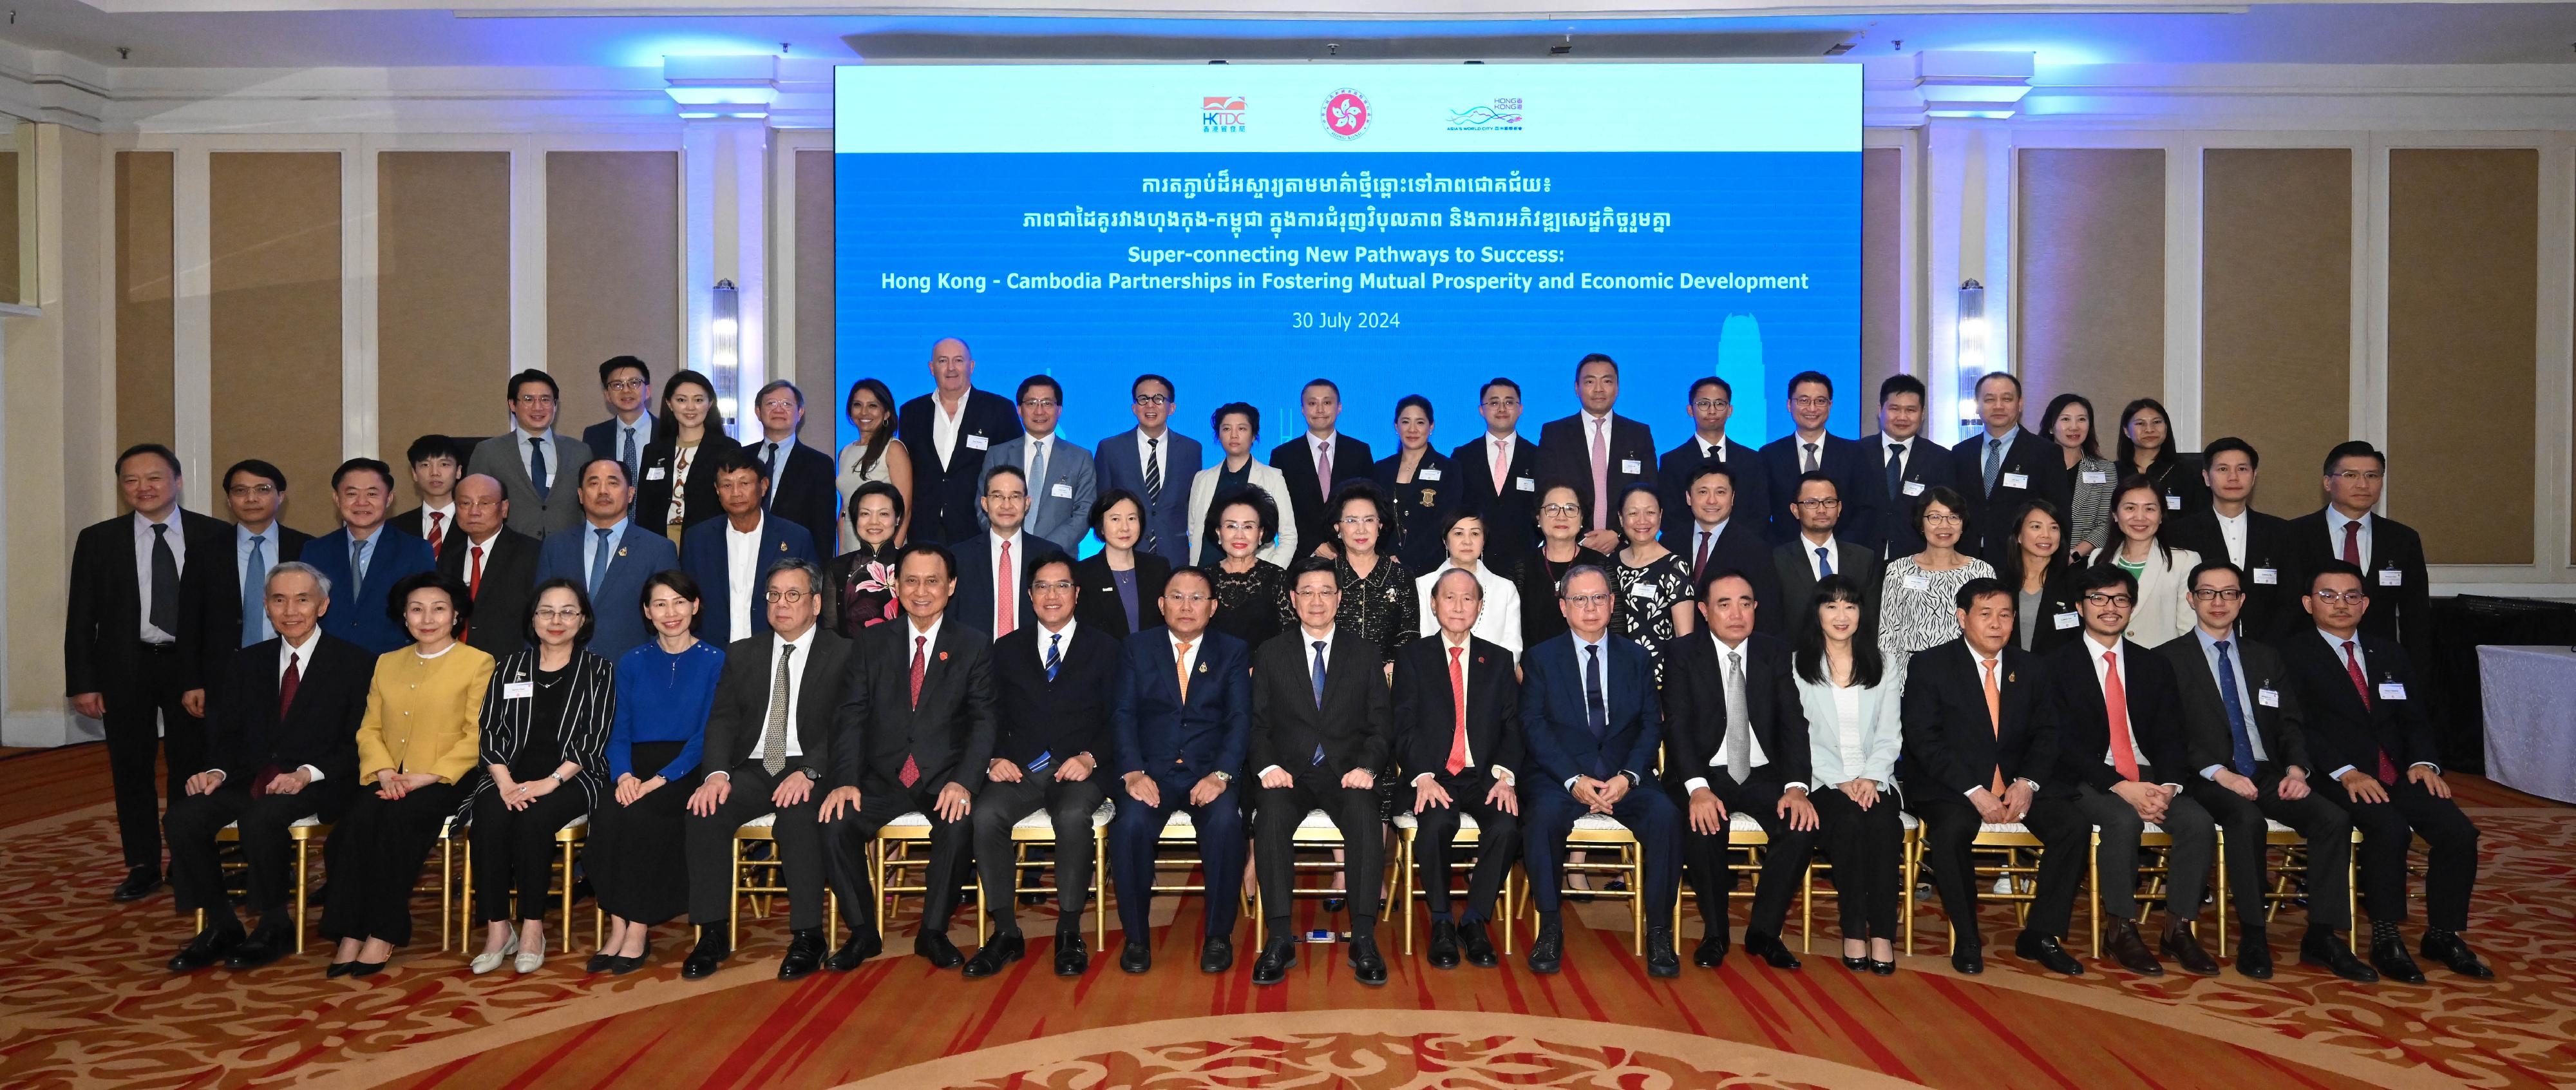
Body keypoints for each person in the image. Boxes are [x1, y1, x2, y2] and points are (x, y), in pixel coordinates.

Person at [2154, 560, 2372, 982]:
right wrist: (2221, 773)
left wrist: (2297, 769)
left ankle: (2323, 936)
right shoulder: (2169, 660)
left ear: (2243, 600)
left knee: (2333, 818)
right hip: (2206, 778)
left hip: (2269, 771)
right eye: (2208, 593)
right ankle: (2254, 934)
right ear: (2191, 599)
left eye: (2229, 593)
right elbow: (2171, 734)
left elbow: (2291, 721)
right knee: (2246, 820)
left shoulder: (2265, 656)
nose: (2219, 602)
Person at [2280, 560, 2490, 984]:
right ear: (2308, 603)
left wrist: (2423, 763)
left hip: (2399, 773)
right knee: (2389, 828)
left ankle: (2442, 934)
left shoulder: (2388, 652)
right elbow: (2298, 725)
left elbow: (2416, 719)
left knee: (2459, 832)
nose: (2341, 604)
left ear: (2365, 603)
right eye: (2328, 595)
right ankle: (2386, 935)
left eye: (2351, 596)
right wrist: (2345, 772)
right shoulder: (2291, 654)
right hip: (2335, 775)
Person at [164, 562, 374, 973]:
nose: (290, 610)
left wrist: (306, 774)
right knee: (184, 815)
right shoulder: (247, 662)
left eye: (302, 599)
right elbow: (225, 735)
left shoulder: (355, 663)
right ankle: (222, 923)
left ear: (323, 606)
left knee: (263, 817)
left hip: (321, 780)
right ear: (266, 606)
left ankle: (274, 922)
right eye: (279, 600)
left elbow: (361, 741)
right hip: (251, 776)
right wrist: (216, 772)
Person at [678, 559, 859, 981]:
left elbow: (847, 724)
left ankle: (807, 935)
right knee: (705, 811)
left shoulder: (845, 653)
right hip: (755, 766)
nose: (781, 604)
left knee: (799, 819)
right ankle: (712, 933)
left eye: (793, 595)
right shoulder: (743, 653)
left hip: (811, 767)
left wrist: (812, 769)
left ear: (816, 603)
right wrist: (716, 774)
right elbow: (722, 720)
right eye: (774, 595)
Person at [820, 543, 999, 971]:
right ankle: (863, 933)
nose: (922, 590)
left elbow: (983, 722)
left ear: (951, 586)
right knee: (833, 822)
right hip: (881, 777)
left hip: (943, 777)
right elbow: (851, 716)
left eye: (933, 581)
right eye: (912, 581)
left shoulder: (973, 645)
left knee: (959, 826)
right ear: (896, 587)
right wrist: (845, 778)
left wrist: (965, 781)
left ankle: (932, 932)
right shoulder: (870, 643)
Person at [66, 444, 234, 900]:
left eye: (154, 478)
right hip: (126, 667)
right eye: (131, 480)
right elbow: (81, 615)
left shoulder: (215, 534)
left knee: (191, 764)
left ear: (177, 481)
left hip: (191, 666)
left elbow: (224, 614)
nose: (143, 488)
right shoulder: (99, 539)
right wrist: (83, 682)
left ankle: (187, 857)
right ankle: (141, 863)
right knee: (130, 768)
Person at [1899, 578, 2087, 976]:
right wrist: (1973, 790)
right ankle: (1967, 936)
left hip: (2018, 783)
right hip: (1952, 785)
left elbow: (2048, 732)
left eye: (2005, 615)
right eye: (1985, 615)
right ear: (1962, 617)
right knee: (1951, 832)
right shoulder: (1930, 665)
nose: (1997, 624)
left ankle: (2040, 934)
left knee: (2073, 825)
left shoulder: (2031, 667)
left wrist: (2028, 782)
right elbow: (1923, 739)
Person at [2044, 564, 2217, 977]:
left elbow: (2174, 734)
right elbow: (2058, 743)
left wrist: (2170, 786)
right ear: (2079, 606)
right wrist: (2121, 786)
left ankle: (2178, 928)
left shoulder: (2152, 665)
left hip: (2150, 775)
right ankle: (2120, 927)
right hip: (2088, 776)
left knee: (2198, 821)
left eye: (2120, 599)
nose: (2110, 607)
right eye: (2099, 599)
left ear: (2132, 607)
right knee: (2122, 822)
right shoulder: (2054, 665)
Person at [321, 571, 497, 977]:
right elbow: (369, 728)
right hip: (389, 777)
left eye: (439, 609)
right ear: (404, 617)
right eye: (416, 609)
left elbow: (478, 734)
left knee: (396, 828)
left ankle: (383, 931)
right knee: (350, 832)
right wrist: (383, 770)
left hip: (447, 778)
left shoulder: (478, 662)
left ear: (456, 616)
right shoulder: (387, 663)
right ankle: (350, 931)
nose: (427, 618)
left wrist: (428, 776)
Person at [1519, 566, 1684, 976]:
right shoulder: (1540, 658)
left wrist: (1629, 776)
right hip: (1563, 778)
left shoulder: (1637, 658)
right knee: (1540, 818)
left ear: (1612, 603)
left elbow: (1651, 725)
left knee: (1665, 816)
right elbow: (1533, 726)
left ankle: (1659, 930)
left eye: (1598, 598)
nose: (1590, 608)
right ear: (1563, 607)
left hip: (1623, 777)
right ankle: (1551, 925)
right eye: (1579, 599)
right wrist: (1572, 780)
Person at [966, 556, 1118, 978]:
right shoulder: (1006, 648)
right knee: (986, 815)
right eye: (1042, 587)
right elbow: (986, 713)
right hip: (1020, 767)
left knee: (1072, 816)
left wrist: (1091, 757)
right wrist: (994, 758)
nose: (1052, 596)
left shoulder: (1106, 648)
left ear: (1077, 593)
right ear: (1030, 596)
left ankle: (1069, 930)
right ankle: (1006, 932)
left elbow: (1122, 717)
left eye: (1062, 586)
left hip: (1080, 767)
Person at [1248, 559, 1395, 986]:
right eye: (1307, 592)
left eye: (1326, 591)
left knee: (1367, 816)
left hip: (1347, 772)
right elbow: (1255, 725)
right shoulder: (1271, 653)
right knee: (1271, 816)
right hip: (1288, 773)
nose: (1317, 600)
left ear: (1339, 598)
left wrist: (1368, 766)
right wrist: (1269, 766)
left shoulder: (1365, 654)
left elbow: (1381, 724)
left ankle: (1364, 937)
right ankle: (1279, 938)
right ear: (1293, 600)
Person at [1664, 568, 1816, 971]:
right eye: (1724, 604)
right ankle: (1715, 934)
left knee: (1801, 824)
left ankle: (1763, 932)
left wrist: (1798, 786)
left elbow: (1793, 725)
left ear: (1756, 609)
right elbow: (1676, 726)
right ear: (1704, 610)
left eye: (1745, 603)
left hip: (1762, 772)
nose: (1736, 614)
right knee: (1704, 823)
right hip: (1705, 772)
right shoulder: (1682, 654)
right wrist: (1696, 788)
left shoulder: (1773, 652)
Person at [1106, 568, 1254, 975]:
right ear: (1161, 604)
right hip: (1150, 773)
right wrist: (1133, 773)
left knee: (1226, 825)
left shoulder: (1233, 650)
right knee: (1129, 827)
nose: (1186, 607)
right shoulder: (1137, 648)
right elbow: (1122, 715)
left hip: (1209, 772)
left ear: (1213, 607)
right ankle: (1136, 938)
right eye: (1177, 597)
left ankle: (1218, 936)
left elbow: (1241, 719)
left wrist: (1222, 774)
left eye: (1197, 598)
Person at [464, 578, 614, 975]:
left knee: (533, 820)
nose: (557, 620)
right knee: (490, 818)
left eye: (568, 612)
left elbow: (593, 737)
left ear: (583, 620)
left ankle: (532, 928)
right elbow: (490, 729)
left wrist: (550, 783)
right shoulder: (509, 667)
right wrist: (504, 782)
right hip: (508, 774)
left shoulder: (598, 670)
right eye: (547, 611)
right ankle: (499, 930)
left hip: (572, 777)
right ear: (533, 619)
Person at [591, 570, 720, 975]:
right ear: (647, 612)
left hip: (685, 769)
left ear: (695, 606)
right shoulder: (632, 661)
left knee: (643, 818)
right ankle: (616, 926)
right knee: (608, 816)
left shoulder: (717, 660)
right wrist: (625, 777)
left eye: (679, 602)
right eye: (660, 604)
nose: (671, 612)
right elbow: (619, 728)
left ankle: (638, 929)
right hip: (635, 767)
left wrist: (659, 780)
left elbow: (706, 736)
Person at [1394, 568, 1523, 970]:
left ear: (1480, 608)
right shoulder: (1412, 657)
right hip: (1432, 774)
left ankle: (1474, 920)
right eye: (1448, 597)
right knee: (1436, 824)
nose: (1458, 606)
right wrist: (1422, 775)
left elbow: (1513, 726)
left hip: (1483, 775)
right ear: (1433, 605)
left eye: (1468, 598)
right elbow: (1402, 723)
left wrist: (1504, 776)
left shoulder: (1498, 660)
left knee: (1506, 826)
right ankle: (1442, 921)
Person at [1792, 573, 1907, 975]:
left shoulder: (1884, 661)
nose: (1842, 615)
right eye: (1831, 605)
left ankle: (1883, 935)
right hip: (1823, 779)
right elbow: (1796, 737)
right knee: (1848, 824)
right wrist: (1839, 779)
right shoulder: (1797, 665)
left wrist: (1872, 777)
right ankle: (1855, 929)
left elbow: (1891, 733)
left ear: (1862, 612)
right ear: (1817, 612)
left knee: (1882, 825)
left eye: (1850, 606)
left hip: (1877, 777)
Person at [2288, 443, 2434, 671]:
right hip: (2309, 664)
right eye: (2350, 475)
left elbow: (2416, 617)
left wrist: (2416, 674)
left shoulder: (2403, 539)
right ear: (2328, 482)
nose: (2363, 484)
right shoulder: (2293, 535)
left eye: (2372, 475)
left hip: (2381, 665)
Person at [532, 459, 682, 662]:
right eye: (593, 483)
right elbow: (539, 615)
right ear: (581, 495)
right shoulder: (555, 546)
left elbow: (668, 621)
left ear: (630, 494)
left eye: (613, 483)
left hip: (632, 673)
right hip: (564, 671)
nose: (603, 491)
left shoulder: (658, 549)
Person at [2165, 438, 2303, 644]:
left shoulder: (2281, 532)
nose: (2233, 477)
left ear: (2254, 476)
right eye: (2222, 469)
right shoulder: (2179, 533)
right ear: (2206, 477)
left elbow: (2291, 599)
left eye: (2242, 469)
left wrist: (2266, 649)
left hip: (2268, 649)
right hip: (2198, 648)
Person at [681, 450, 822, 644]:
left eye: (744, 483)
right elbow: (686, 600)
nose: (736, 493)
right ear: (717, 490)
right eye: (727, 485)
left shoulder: (795, 538)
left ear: (763, 486)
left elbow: (811, 602)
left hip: (774, 650)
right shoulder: (697, 539)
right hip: (713, 654)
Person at [899, 338, 1024, 546]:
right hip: (923, 530)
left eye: (958, 360)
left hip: (977, 529)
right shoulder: (911, 412)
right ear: (932, 368)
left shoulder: (999, 409)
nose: (951, 368)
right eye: (942, 361)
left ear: (971, 366)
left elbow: (1015, 469)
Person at [307, 457, 438, 655]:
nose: (362, 502)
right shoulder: (314, 551)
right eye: (351, 494)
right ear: (336, 498)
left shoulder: (416, 550)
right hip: (329, 665)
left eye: (372, 494)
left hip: (393, 664)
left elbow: (427, 612)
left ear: (389, 499)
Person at [1534, 354, 1656, 554]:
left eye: (1607, 381)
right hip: (1570, 546)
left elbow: (1649, 492)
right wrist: (1579, 537)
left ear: (1617, 387)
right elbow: (1544, 492)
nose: (1599, 389)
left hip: (1626, 548)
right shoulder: (1555, 434)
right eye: (1590, 381)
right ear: (1577, 388)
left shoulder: (1638, 434)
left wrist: (1618, 534)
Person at [1949, 372, 2071, 562]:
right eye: (1990, 399)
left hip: (2021, 561)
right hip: (1966, 559)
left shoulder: (2046, 453)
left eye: (2007, 399)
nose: (1998, 406)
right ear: (1977, 405)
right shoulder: (1960, 453)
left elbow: (2060, 513)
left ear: (2020, 404)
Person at [466, 370, 592, 539]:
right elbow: (475, 507)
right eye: (528, 399)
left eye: (545, 400)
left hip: (568, 551)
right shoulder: (488, 452)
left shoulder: (580, 451)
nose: (538, 407)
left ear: (555, 405)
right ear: (512, 404)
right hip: (510, 554)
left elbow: (590, 508)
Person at [1089, 373, 1199, 566]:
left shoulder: (1191, 449)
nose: (1150, 405)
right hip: (1125, 553)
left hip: (1175, 555)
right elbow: (1102, 504)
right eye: (1143, 399)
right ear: (1134, 407)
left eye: (1158, 399)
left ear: (1171, 408)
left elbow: (1192, 503)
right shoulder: (1110, 449)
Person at [1875, 487, 1995, 664]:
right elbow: (1888, 635)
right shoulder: (1899, 570)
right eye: (1935, 517)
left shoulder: (1981, 572)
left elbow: (1988, 631)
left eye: (1953, 517)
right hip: (1910, 676)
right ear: (1921, 524)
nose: (1944, 525)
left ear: (1963, 524)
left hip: (1965, 672)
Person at [951, 464, 1070, 642]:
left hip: (1033, 659)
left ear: (1027, 503)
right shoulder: (959, 556)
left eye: (1015, 496)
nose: (1006, 505)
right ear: (984, 503)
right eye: (998, 496)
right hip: (974, 661)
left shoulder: (1049, 554)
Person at [983, 375, 1098, 555]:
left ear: (1059, 410)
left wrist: (1042, 549)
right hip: (1004, 555)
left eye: (1047, 403)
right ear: (1020, 410)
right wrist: (1010, 542)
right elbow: (983, 506)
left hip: (1059, 558)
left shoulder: (1080, 458)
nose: (1039, 411)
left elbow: (1084, 513)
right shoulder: (997, 455)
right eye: (1031, 403)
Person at [1760, 371, 1877, 547]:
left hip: (1843, 555)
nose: (1812, 408)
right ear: (1789, 405)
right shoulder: (1769, 455)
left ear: (1830, 405)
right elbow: (1760, 512)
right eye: (1804, 400)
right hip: (1784, 558)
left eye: (1820, 401)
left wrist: (1840, 548)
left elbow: (1866, 509)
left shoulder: (1854, 453)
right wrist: (1783, 551)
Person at [207, 459, 311, 656]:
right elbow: (190, 621)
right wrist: (193, 683)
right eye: (240, 491)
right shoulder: (205, 552)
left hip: (292, 663)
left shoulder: (307, 548)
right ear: (229, 500)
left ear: (281, 496)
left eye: (262, 489)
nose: (251, 498)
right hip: (223, 668)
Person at [1655, 376, 1770, 548]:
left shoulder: (1752, 460)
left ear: (1730, 410)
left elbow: (1760, 514)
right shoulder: (1672, 461)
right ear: (1690, 410)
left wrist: (1733, 543)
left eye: (1719, 404)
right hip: (1689, 552)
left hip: (1743, 550)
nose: (1712, 411)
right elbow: (1669, 517)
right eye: (1703, 404)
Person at [1267, 378, 1373, 558]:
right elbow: (1277, 510)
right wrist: (1313, 545)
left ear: (1339, 407)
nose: (1320, 409)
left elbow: (1370, 505)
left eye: (1327, 402)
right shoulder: (1283, 455)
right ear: (1302, 409)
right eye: (1312, 403)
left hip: (1352, 555)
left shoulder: (1359, 452)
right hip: (1301, 557)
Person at [632, 370, 740, 546]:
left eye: (698, 400)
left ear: (710, 403)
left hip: (709, 543)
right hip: (659, 543)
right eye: (681, 400)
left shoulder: (728, 449)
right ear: (669, 403)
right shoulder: (654, 451)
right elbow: (644, 508)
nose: (690, 407)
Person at [2089, 477, 2201, 646]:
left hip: (2161, 665)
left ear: (2161, 515)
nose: (2140, 517)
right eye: (2130, 508)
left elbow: (2188, 631)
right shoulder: (2097, 558)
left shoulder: (2185, 561)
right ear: (2115, 515)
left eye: (2149, 509)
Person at [439, 474, 539, 659]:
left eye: (484, 503)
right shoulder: (448, 558)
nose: (474, 512)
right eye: (465, 503)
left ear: (504, 508)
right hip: (453, 666)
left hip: (511, 665)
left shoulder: (533, 553)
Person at [1188, 403, 1300, 568]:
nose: (1234, 435)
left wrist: (1270, 572)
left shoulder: (1273, 477)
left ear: (1254, 435)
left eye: (1242, 429)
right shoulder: (1202, 478)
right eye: (1226, 429)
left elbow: (1289, 536)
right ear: (1218, 435)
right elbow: (1193, 531)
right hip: (1205, 573)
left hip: (1255, 577)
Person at [1665, 463, 1778, 621]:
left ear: (1732, 498)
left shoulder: (1756, 549)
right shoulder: (1669, 543)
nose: (1712, 500)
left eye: (1720, 492)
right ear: (1689, 498)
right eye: (1703, 492)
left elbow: (1767, 613)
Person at [746, 380, 844, 560]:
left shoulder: (819, 464)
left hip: (794, 561)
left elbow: (823, 529)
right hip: (743, 555)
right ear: (758, 412)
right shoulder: (741, 457)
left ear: (800, 412)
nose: (778, 410)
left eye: (787, 404)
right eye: (771, 404)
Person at [1453, 377, 1542, 574]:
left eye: (1509, 402)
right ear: (1481, 410)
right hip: (1474, 560)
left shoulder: (1538, 456)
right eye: (1494, 403)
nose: (1502, 408)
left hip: (1525, 561)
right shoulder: (1463, 456)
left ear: (1520, 409)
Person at [1772, 472, 1880, 633]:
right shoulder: (1776, 560)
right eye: (1811, 503)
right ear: (1795, 510)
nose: (1822, 510)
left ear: (1839, 508)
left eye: (1829, 502)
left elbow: (1870, 619)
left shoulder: (1864, 558)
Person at [1865, 375, 1957, 560]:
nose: (1902, 417)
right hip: (1863, 560)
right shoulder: (1856, 453)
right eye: (1894, 409)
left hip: (1917, 561)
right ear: (1880, 410)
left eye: (1911, 410)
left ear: (1922, 414)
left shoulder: (1941, 459)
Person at [1412, 511, 1523, 664]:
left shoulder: (1505, 589)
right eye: (1458, 533)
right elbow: (1420, 641)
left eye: (1475, 534)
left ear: (1484, 541)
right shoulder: (1423, 586)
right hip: (1433, 678)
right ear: (1445, 541)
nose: (1467, 541)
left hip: (1491, 682)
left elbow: (1512, 649)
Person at [1612, 483, 1696, 683]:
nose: (1642, 521)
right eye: (1633, 513)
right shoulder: (1609, 564)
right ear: (1621, 518)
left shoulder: (1675, 567)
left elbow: (1684, 640)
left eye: (1650, 512)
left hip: (1659, 679)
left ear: (1660, 515)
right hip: (1614, 676)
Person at [1513, 482, 1612, 652]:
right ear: (1538, 517)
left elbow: (1616, 626)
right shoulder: (1521, 568)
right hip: (1533, 672)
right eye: (1552, 508)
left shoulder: (1600, 564)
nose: (1562, 516)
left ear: (1582, 518)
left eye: (1570, 508)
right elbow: (1510, 630)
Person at [1372, 395, 1462, 574]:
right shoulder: (1381, 469)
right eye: (1406, 422)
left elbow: (1446, 521)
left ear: (1431, 427)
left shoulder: (1449, 468)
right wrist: (1385, 557)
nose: (1412, 429)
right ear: (1396, 427)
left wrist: (1406, 559)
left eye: (1420, 422)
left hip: (1431, 566)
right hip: (1383, 564)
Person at [1075, 490, 1175, 640]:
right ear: (1101, 526)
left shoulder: (1159, 568)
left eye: (1132, 518)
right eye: (1115, 519)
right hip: (1104, 660)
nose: (1125, 528)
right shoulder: (1083, 573)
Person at [1997, 499, 2085, 656]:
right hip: (2011, 673)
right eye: (2036, 527)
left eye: (2054, 528)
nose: (2046, 535)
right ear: (2019, 536)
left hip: (2060, 675)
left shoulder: (2077, 582)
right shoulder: (2000, 582)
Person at [835, 378, 914, 551]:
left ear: (886, 413)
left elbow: (905, 511)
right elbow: (844, 512)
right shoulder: (845, 452)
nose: (864, 412)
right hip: (850, 549)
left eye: (872, 406)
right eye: (857, 405)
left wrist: (891, 558)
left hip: (884, 549)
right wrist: (840, 559)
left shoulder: (893, 449)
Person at [1201, 490, 1287, 649]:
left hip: (1264, 671)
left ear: (1260, 533)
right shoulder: (1203, 579)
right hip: (1212, 671)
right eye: (1231, 526)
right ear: (1218, 532)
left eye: (1248, 526)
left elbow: (1290, 638)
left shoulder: (1278, 578)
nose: (1239, 535)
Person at [823, 480, 906, 637]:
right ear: (855, 520)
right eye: (865, 514)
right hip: (851, 658)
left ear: (897, 518)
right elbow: (831, 631)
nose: (874, 522)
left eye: (884, 514)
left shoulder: (910, 564)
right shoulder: (837, 567)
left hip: (902, 658)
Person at [2042, 393, 2117, 558]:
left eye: (2082, 420)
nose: (2074, 427)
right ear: (2050, 427)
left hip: (2082, 562)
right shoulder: (2035, 467)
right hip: (2035, 558)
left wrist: (2074, 555)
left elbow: (2106, 523)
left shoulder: (2104, 470)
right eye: (2066, 419)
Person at [580, 356, 654, 506]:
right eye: (617, 385)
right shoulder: (594, 436)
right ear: (607, 395)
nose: (626, 390)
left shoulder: (669, 432)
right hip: (609, 523)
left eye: (634, 383)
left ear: (647, 391)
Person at [2118, 397, 2208, 519]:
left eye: (2157, 422)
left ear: (2166, 427)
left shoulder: (2191, 473)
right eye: (2140, 423)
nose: (2150, 430)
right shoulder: (2112, 472)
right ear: (2126, 431)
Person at [390, 434, 467, 561]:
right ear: (414, 473)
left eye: (444, 464)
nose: (435, 472)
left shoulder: (474, 523)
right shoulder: (396, 529)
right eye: (425, 465)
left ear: (458, 471)